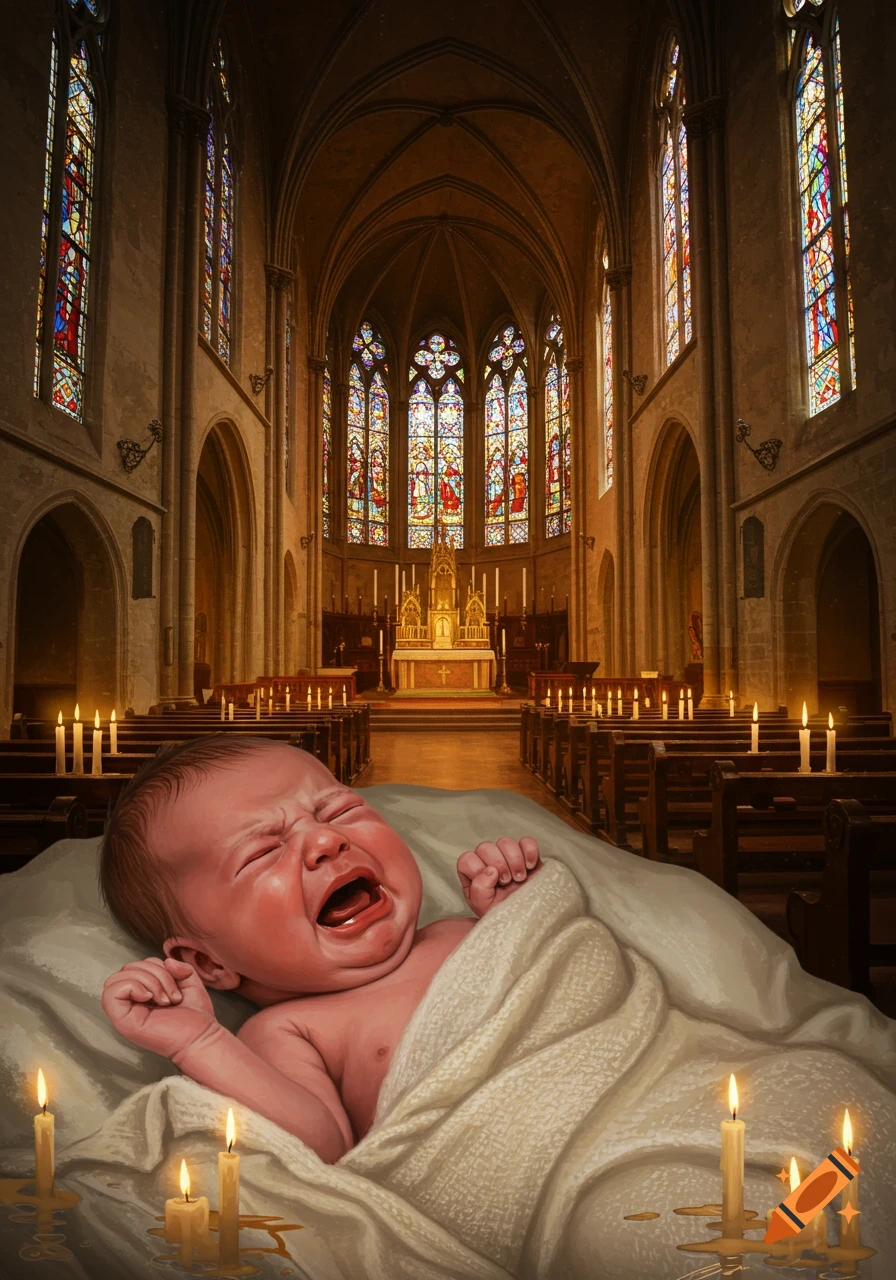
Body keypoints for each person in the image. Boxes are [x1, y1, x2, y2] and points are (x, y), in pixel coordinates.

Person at [100, 737, 543, 1164]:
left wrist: (524, 909)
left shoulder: (466, 928)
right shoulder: (287, 1031)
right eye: (263, 852)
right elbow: (322, 1148)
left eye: (340, 811)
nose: (327, 841)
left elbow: (571, 975)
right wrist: (198, 1041)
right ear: (207, 962)